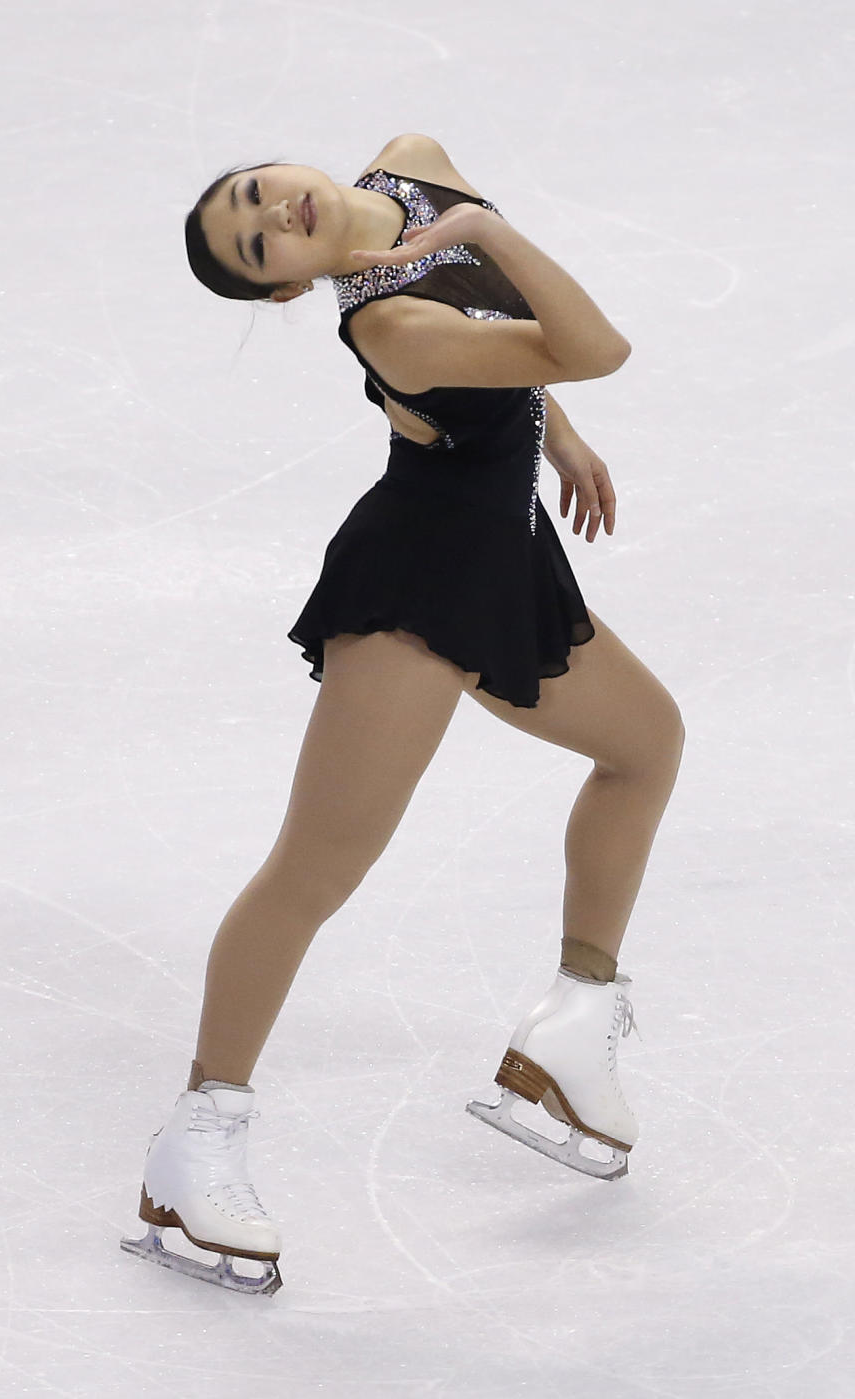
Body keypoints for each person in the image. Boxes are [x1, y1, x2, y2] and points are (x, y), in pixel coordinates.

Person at [120, 134, 685, 1295]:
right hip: (420, 583)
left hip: (504, 550)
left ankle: (572, 1027)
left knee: (645, 744)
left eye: (254, 193)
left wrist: (552, 430)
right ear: (286, 286)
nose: (274, 212)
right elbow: (595, 348)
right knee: (318, 868)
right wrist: (485, 235)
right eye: (257, 243)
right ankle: (197, 1141)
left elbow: (530, 361)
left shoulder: (411, 164)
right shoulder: (386, 321)